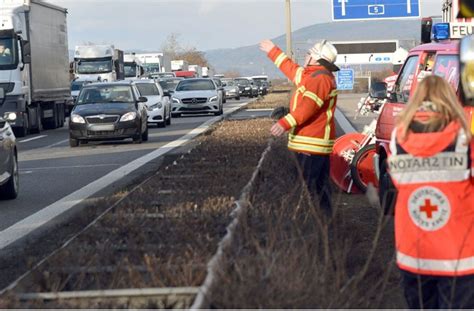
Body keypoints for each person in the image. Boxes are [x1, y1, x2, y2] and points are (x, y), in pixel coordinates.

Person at [387, 75, 474, 309]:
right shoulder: (463, 136)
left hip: (414, 248)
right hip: (459, 251)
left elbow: (397, 180)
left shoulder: (399, 136)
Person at [259, 39, 339, 216]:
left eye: (310, 53)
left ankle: (316, 226)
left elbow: (307, 108)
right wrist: (273, 51)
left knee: (308, 191)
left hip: (311, 145)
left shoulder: (320, 79)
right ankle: (325, 225)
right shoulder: (312, 76)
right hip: (310, 145)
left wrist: (284, 123)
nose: (306, 55)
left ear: (316, 59)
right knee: (317, 191)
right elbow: (290, 68)